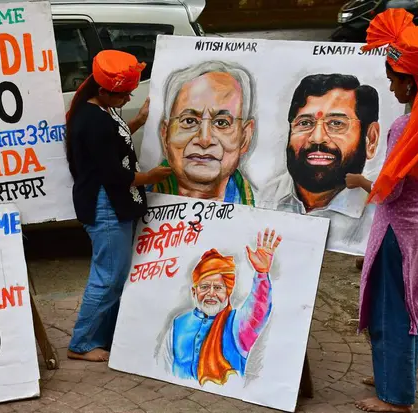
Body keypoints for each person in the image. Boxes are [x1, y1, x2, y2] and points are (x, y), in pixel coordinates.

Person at [345, 8, 418, 413]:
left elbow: (392, 189)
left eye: (393, 79)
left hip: (399, 229)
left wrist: (361, 181)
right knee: (410, 299)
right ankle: (392, 370)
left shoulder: (407, 126)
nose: (389, 87)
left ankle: (396, 398)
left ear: (410, 80)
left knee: (393, 305)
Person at [64, 49, 172, 362]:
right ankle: (81, 343)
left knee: (117, 273)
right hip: (106, 204)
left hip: (112, 200)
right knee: (108, 276)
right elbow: (115, 175)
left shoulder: (101, 111)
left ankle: (104, 336)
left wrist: (136, 122)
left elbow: (111, 146)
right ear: (102, 91)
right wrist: (151, 176)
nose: (128, 99)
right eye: (123, 95)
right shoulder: (93, 121)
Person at [267, 74, 380, 254]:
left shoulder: (380, 217)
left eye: (336, 123)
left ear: (371, 139)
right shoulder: (262, 199)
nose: (317, 138)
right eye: (305, 123)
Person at [158, 229, 280, 385]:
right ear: (194, 291)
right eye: (204, 287)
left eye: (218, 288)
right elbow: (163, 365)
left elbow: (258, 311)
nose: (210, 293)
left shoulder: (237, 324)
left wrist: (262, 273)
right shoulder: (178, 324)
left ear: (228, 292)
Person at [149, 61, 256, 205]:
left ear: (244, 138)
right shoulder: (139, 202)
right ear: (165, 134)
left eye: (221, 123)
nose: (204, 139)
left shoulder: (262, 214)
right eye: (189, 121)